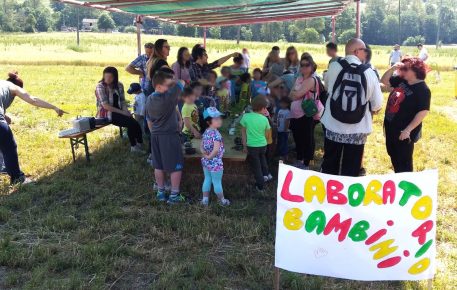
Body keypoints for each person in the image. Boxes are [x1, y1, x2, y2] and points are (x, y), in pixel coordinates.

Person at [320, 38, 383, 177]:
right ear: (356, 51)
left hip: (333, 124)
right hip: (358, 128)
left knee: (330, 163)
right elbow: (377, 103)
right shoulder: (369, 72)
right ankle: (348, 196)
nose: (366, 53)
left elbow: (327, 87)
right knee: (352, 166)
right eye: (364, 50)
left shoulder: (334, 66)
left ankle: (329, 194)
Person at [0, 72, 66, 184]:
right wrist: (54, 107)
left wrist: (5, 117)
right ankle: (17, 178)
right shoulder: (14, 87)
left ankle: (4, 167)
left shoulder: (2, 84)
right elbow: (33, 99)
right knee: (9, 146)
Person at [380, 58, 431, 173]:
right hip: (391, 127)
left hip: (403, 132)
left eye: (405, 68)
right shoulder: (402, 80)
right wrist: (393, 68)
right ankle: (398, 180)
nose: (401, 70)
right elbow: (383, 81)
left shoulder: (423, 89)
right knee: (393, 155)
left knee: (404, 163)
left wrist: (408, 130)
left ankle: (406, 186)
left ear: (415, 70)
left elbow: (423, 111)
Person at [145, 70, 186, 204]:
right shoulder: (168, 97)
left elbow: (149, 120)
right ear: (159, 87)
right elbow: (182, 82)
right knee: (176, 166)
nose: (171, 87)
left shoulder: (149, 98)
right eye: (168, 85)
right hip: (169, 136)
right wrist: (175, 80)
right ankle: (174, 196)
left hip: (155, 136)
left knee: (159, 165)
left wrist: (153, 133)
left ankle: (161, 192)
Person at [96, 67, 144, 152]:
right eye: (105, 77)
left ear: (115, 77)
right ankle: (134, 146)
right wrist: (123, 112)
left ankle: (139, 144)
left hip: (118, 111)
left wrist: (126, 111)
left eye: (110, 77)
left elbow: (122, 101)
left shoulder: (119, 85)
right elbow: (106, 106)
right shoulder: (100, 86)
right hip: (107, 114)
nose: (107, 79)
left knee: (135, 124)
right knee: (131, 124)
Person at [289, 55, 319, 169]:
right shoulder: (299, 78)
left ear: (312, 66)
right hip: (296, 114)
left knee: (307, 138)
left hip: (306, 114)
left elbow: (296, 94)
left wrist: (295, 93)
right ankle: (299, 159)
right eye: (302, 65)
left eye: (307, 65)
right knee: (297, 137)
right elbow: (291, 95)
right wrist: (295, 93)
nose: (304, 67)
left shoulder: (311, 80)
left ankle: (306, 163)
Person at [240, 96, 272, 191]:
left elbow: (243, 133)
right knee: (263, 158)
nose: (266, 110)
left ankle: (260, 185)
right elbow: (267, 133)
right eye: (265, 108)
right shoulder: (264, 119)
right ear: (262, 108)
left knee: (256, 165)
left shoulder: (245, 117)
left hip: (252, 146)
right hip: (263, 145)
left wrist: (244, 146)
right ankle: (266, 175)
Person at [200, 107, 230, 206]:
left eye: (219, 118)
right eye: (216, 119)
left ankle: (205, 200)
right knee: (217, 182)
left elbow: (201, 145)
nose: (219, 120)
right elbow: (216, 149)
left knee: (207, 179)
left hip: (206, 161)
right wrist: (210, 157)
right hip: (215, 162)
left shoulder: (206, 132)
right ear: (208, 121)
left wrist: (204, 154)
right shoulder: (216, 134)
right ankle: (222, 201)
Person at [276, 97, 291, 161]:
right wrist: (277, 125)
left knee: (284, 143)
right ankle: (280, 154)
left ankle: (284, 155)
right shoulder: (280, 111)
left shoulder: (287, 112)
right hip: (279, 130)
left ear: (287, 104)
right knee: (280, 142)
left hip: (284, 131)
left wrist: (285, 129)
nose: (281, 104)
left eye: (282, 103)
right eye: (280, 103)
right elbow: (278, 119)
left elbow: (287, 121)